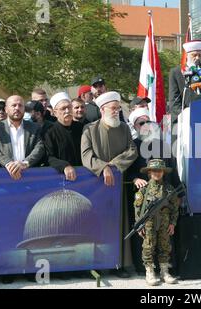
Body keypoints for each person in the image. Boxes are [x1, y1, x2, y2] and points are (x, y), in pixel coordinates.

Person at [81, 91, 138, 278]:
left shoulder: (124, 128)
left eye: (118, 108)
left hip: (118, 185)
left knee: (119, 222)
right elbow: (86, 155)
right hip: (96, 186)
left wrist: (112, 165)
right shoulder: (89, 129)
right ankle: (98, 264)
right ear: (102, 109)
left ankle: (120, 264)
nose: (116, 112)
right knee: (98, 223)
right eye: (113, 108)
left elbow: (132, 151)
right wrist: (102, 168)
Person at [134, 159, 180, 286]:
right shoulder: (144, 190)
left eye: (159, 170)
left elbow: (175, 208)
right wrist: (139, 225)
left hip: (165, 223)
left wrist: (173, 223)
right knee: (148, 247)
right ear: (149, 172)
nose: (157, 173)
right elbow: (138, 209)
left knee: (165, 247)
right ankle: (149, 272)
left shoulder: (169, 189)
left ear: (163, 172)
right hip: (149, 224)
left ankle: (164, 272)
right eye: (154, 170)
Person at [0, 95, 45, 180]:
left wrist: (25, 163)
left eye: (20, 105)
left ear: (24, 109)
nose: (17, 108)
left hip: (30, 178)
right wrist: (9, 164)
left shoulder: (35, 128)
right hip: (3, 178)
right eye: (14, 105)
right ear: (6, 109)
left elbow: (40, 147)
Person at [44, 93, 84, 181]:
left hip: (84, 176)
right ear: (55, 113)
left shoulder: (82, 128)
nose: (67, 111)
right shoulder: (49, 132)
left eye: (69, 107)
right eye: (63, 108)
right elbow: (49, 157)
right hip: (61, 177)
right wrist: (64, 166)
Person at [169, 40, 201, 124]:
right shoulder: (177, 72)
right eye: (194, 55)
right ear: (187, 56)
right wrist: (184, 115)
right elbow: (174, 100)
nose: (197, 58)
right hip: (184, 119)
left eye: (200, 55)